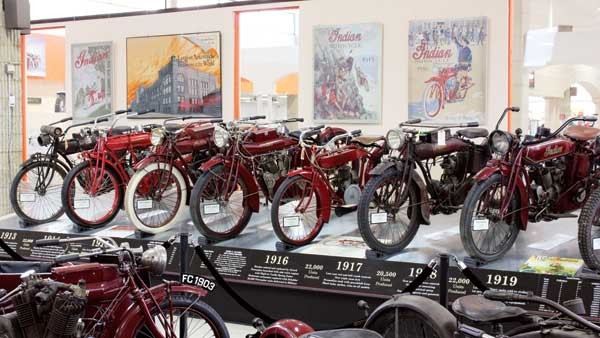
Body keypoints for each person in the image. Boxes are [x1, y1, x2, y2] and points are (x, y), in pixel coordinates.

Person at [453, 34, 474, 99]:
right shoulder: (462, 47)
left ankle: (457, 94)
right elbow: (457, 43)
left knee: (458, 78)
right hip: (459, 67)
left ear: (466, 42)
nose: (462, 42)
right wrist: (455, 38)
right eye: (461, 41)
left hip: (464, 68)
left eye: (463, 41)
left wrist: (467, 65)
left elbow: (469, 60)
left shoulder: (468, 50)